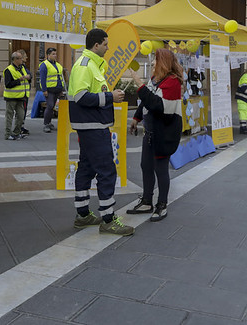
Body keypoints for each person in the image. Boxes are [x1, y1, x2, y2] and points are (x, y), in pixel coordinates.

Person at [68, 28, 133, 235]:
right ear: (96, 45)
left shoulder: (91, 65)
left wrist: (109, 96)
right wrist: (110, 97)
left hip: (92, 126)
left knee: (86, 168)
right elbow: (80, 97)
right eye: (105, 44)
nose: (108, 47)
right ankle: (107, 219)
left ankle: (83, 214)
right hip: (93, 127)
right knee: (106, 170)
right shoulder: (85, 66)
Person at [127, 48, 184, 222]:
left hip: (164, 133)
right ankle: (146, 201)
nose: (152, 63)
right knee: (146, 165)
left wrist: (139, 83)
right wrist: (136, 118)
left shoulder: (173, 83)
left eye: (155, 60)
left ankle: (162, 204)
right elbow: (147, 101)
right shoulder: (156, 80)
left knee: (160, 169)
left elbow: (159, 106)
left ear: (163, 63)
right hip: (151, 132)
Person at [3, 51, 31, 140]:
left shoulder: (22, 67)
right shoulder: (9, 70)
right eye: (20, 58)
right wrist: (19, 80)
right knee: (9, 116)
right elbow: (8, 84)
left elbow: (28, 76)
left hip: (21, 96)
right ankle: (8, 134)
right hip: (11, 97)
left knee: (21, 115)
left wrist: (29, 77)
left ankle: (16, 132)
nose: (22, 60)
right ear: (15, 59)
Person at [39, 47, 67, 133]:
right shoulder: (44, 65)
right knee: (50, 106)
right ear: (48, 55)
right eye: (53, 54)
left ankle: (49, 123)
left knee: (53, 107)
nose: (55, 56)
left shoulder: (58, 65)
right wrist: (44, 90)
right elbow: (42, 78)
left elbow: (60, 78)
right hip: (49, 89)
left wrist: (61, 89)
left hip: (57, 89)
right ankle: (46, 124)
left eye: (55, 54)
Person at [15, 49, 32, 137]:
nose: (26, 57)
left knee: (22, 111)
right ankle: (19, 128)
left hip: (24, 92)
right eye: (25, 56)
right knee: (21, 111)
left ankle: (21, 126)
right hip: (20, 93)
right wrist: (26, 76)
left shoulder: (23, 66)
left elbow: (30, 75)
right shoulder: (19, 67)